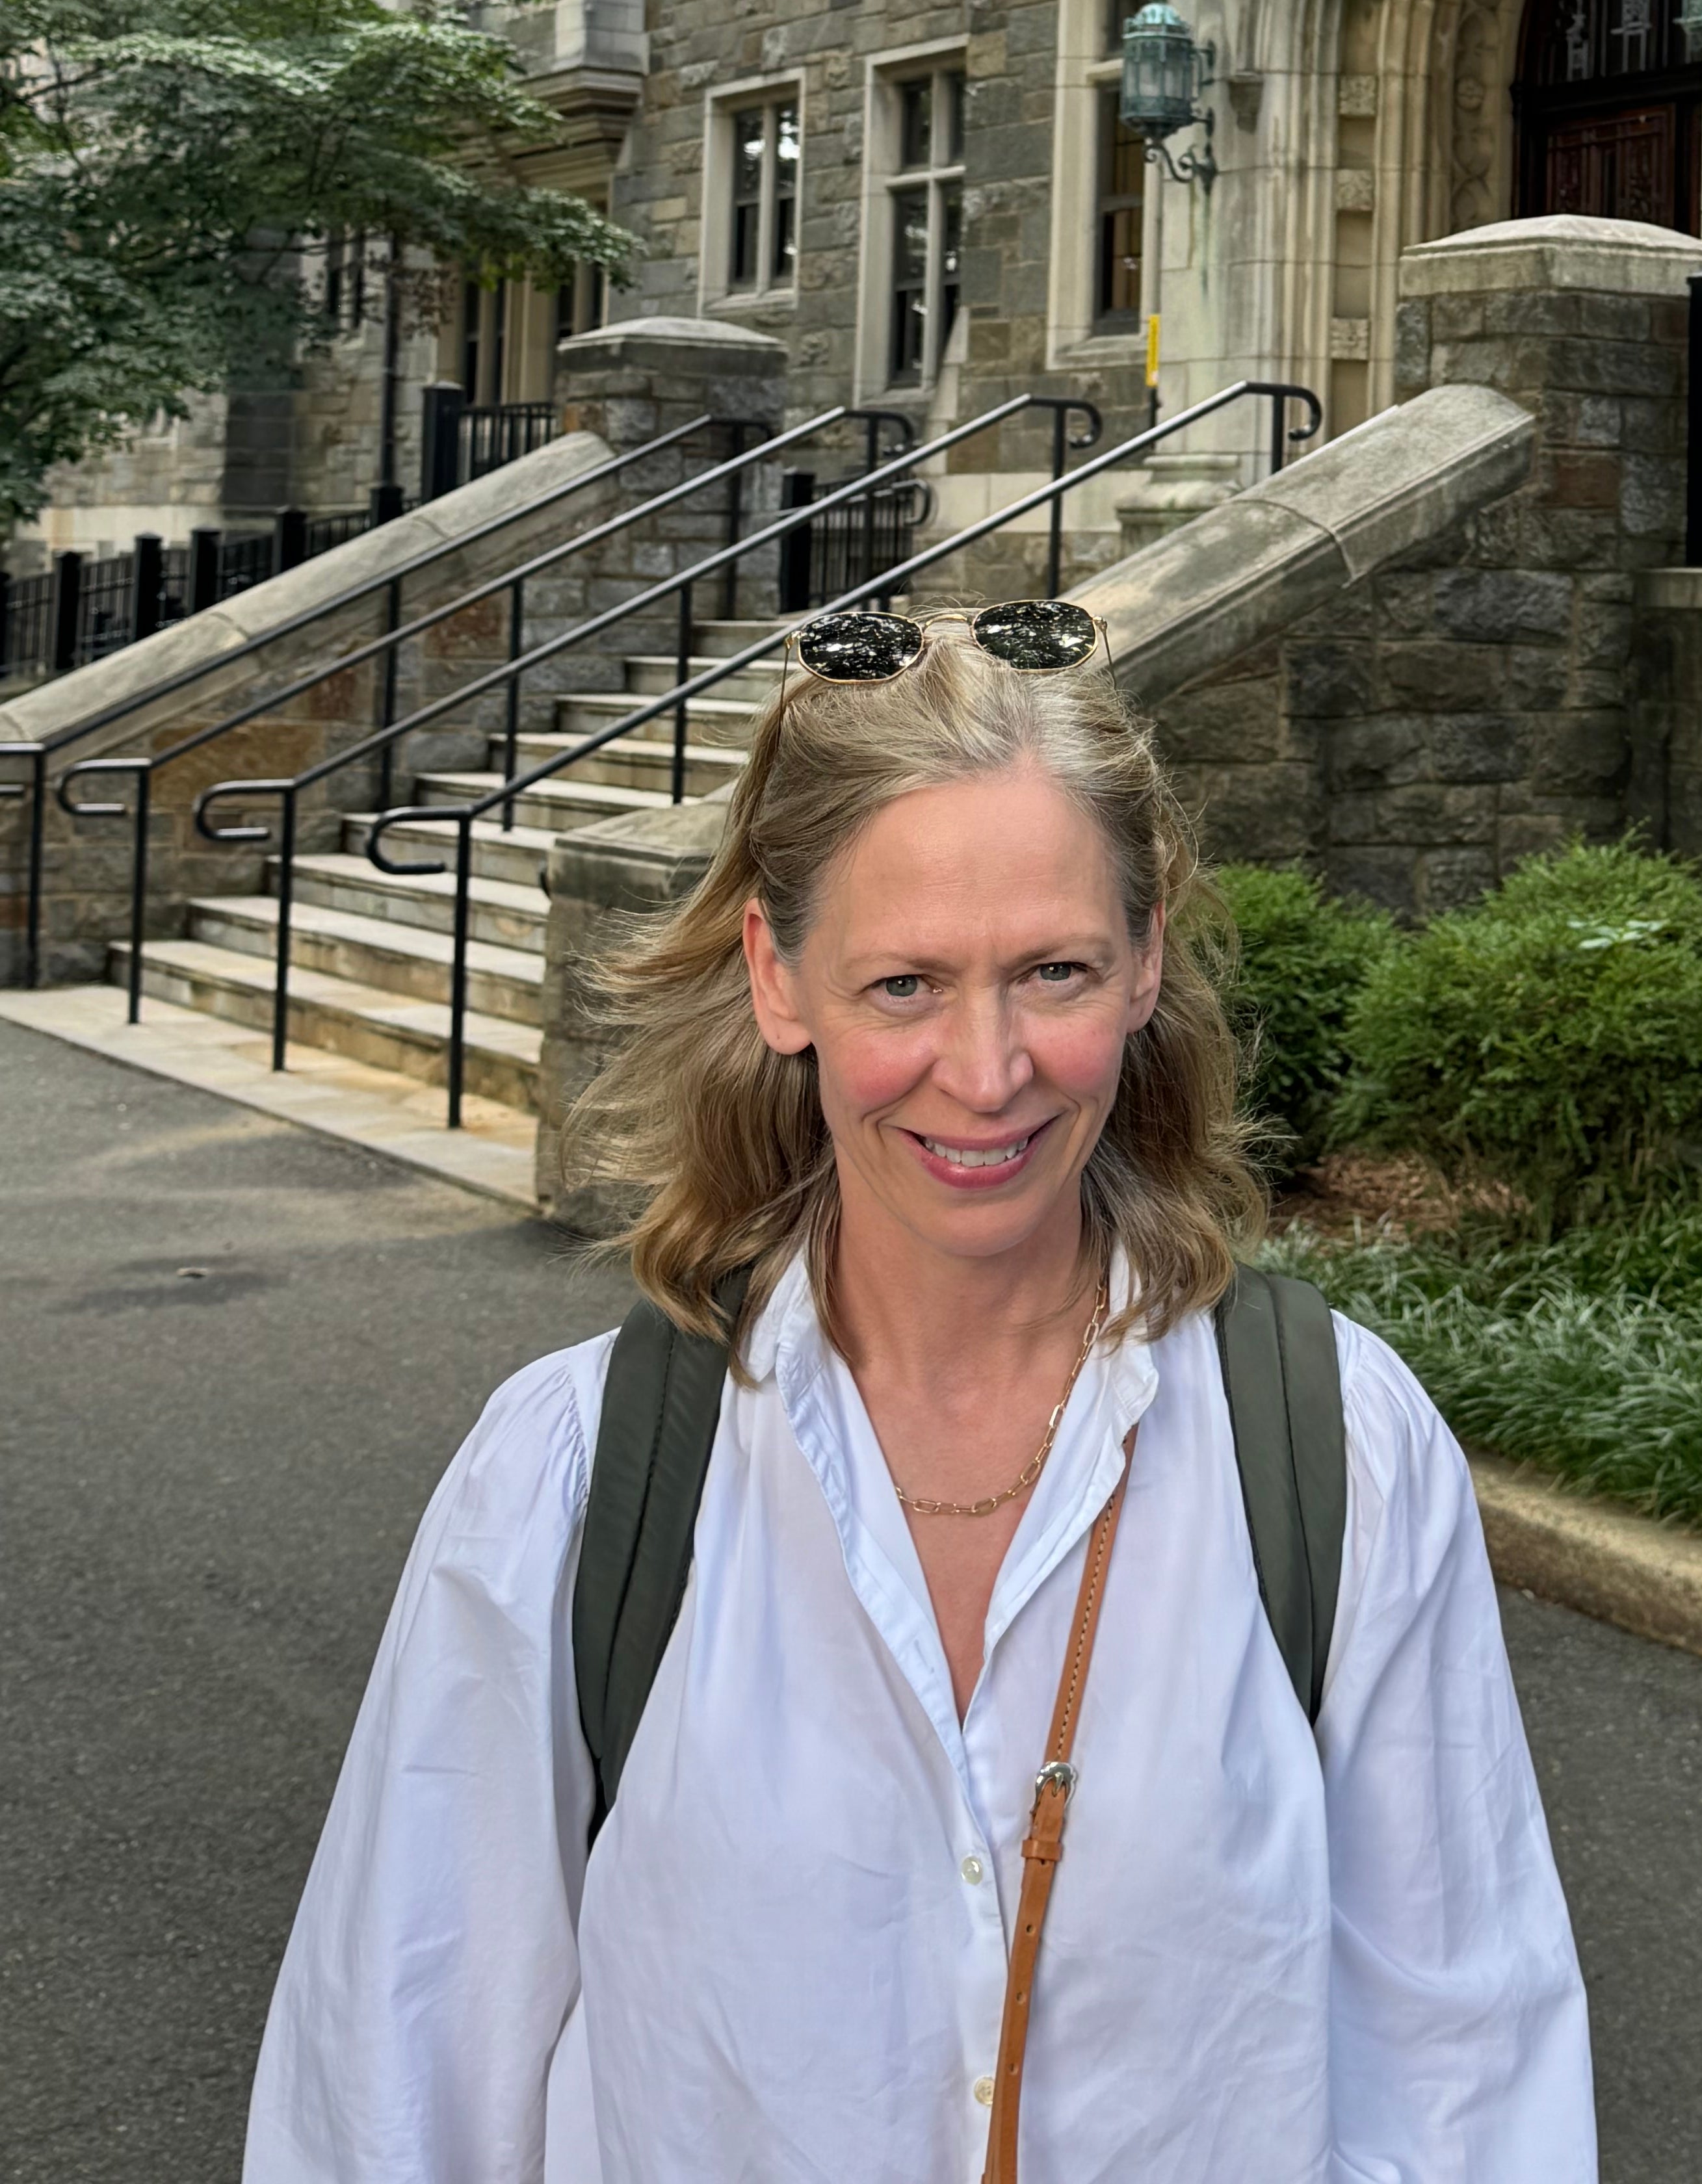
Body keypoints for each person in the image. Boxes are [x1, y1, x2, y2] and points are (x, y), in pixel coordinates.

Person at [244, 601, 1596, 2184]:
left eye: (1055, 971)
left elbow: (1468, 2081)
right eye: (902, 986)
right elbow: (393, 2090)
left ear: (1147, 960)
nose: (986, 1068)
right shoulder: (574, 1481)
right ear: (776, 976)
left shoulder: (1334, 1453)